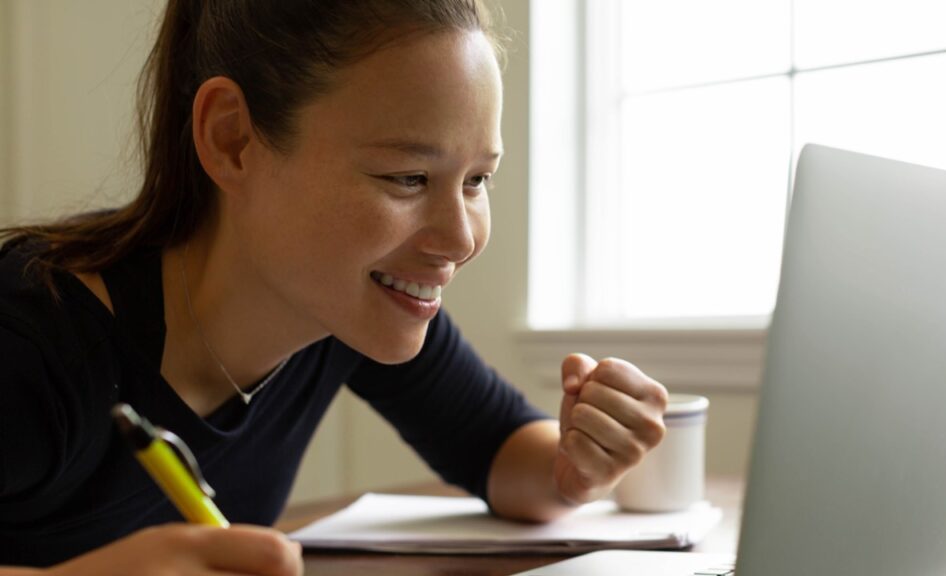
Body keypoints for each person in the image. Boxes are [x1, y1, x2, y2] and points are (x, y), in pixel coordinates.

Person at [0, 1, 669, 574]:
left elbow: (501, 451)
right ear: (231, 139)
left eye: (477, 181)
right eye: (407, 178)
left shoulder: (341, 311)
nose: (463, 238)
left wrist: (578, 463)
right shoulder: (32, 341)